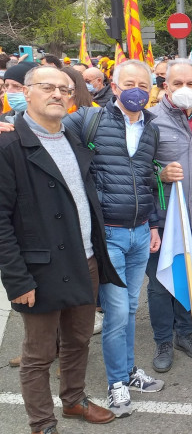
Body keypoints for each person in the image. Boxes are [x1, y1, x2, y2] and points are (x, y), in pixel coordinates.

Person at [0, 65, 121, 433]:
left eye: (65, 90)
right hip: (40, 268)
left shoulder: (72, 138)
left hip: (84, 259)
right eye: (47, 87)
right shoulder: (9, 145)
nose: (57, 94)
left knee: (79, 340)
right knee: (38, 355)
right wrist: (19, 281)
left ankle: (73, 400)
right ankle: (42, 424)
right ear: (27, 91)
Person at [61, 59, 165, 417]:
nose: (137, 89)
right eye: (129, 82)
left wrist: (152, 225)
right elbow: (45, 130)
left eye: (144, 83)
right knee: (118, 312)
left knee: (131, 309)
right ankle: (117, 383)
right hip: (107, 235)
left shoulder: (152, 127)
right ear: (115, 87)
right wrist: (10, 128)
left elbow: (149, 180)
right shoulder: (88, 120)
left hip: (139, 234)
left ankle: (129, 370)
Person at [146, 58, 192, 372]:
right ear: (166, 86)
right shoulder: (150, 120)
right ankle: (162, 339)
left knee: (187, 281)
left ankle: (185, 333)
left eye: (191, 84)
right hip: (163, 220)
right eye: (177, 84)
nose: (185, 90)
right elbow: (135, 168)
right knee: (161, 286)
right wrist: (158, 173)